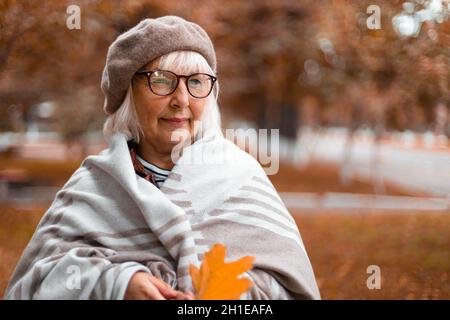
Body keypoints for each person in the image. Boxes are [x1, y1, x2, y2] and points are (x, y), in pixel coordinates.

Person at [4, 16, 320, 300]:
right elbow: (32, 286)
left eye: (196, 82)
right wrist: (115, 284)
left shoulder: (242, 178)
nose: (181, 99)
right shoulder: (91, 189)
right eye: (162, 80)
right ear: (128, 93)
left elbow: (288, 289)